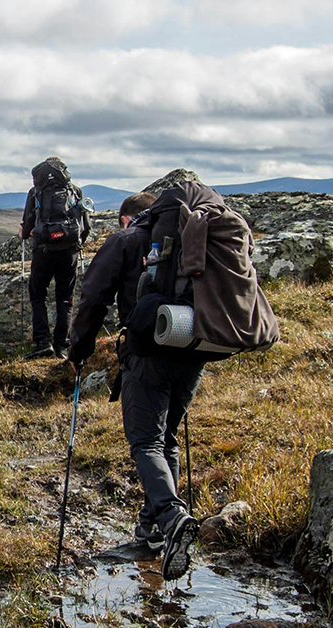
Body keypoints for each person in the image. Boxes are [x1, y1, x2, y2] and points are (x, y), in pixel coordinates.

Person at [64, 188, 201, 581]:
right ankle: (153, 532)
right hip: (194, 345)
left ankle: (172, 519)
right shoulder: (193, 236)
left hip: (148, 351)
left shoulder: (126, 239)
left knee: (146, 441)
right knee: (166, 438)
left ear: (128, 218)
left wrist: (78, 349)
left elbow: (92, 298)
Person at [20, 157, 91, 360]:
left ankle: (42, 343)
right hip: (69, 251)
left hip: (43, 251)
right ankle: (62, 346)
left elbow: (27, 226)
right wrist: (78, 245)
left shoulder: (35, 192)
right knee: (65, 299)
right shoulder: (75, 190)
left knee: (38, 295)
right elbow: (85, 225)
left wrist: (24, 233)